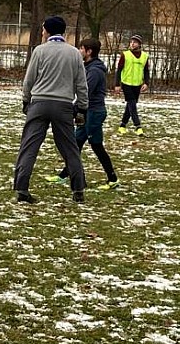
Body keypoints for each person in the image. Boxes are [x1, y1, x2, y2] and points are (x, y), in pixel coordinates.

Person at [13, 16, 89, 204]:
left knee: (29, 146)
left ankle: (22, 187)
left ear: (47, 31)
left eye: (43, 29)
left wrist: (25, 100)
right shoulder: (74, 54)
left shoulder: (39, 51)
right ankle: (78, 188)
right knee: (70, 148)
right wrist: (82, 108)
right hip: (63, 105)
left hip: (39, 103)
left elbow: (29, 80)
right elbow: (81, 84)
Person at [47, 37, 119, 191]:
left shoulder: (95, 71)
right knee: (75, 143)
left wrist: (71, 109)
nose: (79, 51)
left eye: (81, 48)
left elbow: (85, 94)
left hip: (94, 113)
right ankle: (64, 175)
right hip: (86, 113)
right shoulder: (87, 67)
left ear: (89, 51)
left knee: (96, 146)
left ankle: (112, 178)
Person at [114, 35, 150, 135]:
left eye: (135, 42)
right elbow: (119, 70)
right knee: (132, 105)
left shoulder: (144, 56)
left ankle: (122, 125)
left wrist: (146, 83)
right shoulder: (125, 55)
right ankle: (138, 126)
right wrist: (117, 84)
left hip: (137, 84)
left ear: (139, 44)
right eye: (131, 42)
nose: (132, 44)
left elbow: (146, 71)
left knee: (130, 105)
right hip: (126, 83)